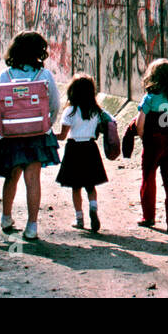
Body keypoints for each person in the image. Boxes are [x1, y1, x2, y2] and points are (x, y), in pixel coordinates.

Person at [0, 31, 61, 241]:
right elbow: (54, 105)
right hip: (37, 134)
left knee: (12, 176)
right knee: (33, 179)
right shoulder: (44, 76)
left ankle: (6, 217)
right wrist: (46, 124)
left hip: (11, 134)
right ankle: (32, 226)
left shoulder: (5, 76)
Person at [135, 58, 168, 235]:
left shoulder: (149, 98)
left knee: (148, 179)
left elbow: (139, 123)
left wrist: (143, 137)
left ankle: (148, 216)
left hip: (153, 141)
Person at [55, 73, 109, 232]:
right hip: (91, 149)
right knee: (91, 185)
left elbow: (63, 135)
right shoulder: (96, 111)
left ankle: (79, 218)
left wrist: (49, 135)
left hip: (74, 149)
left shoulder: (70, 111)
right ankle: (93, 208)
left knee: (76, 187)